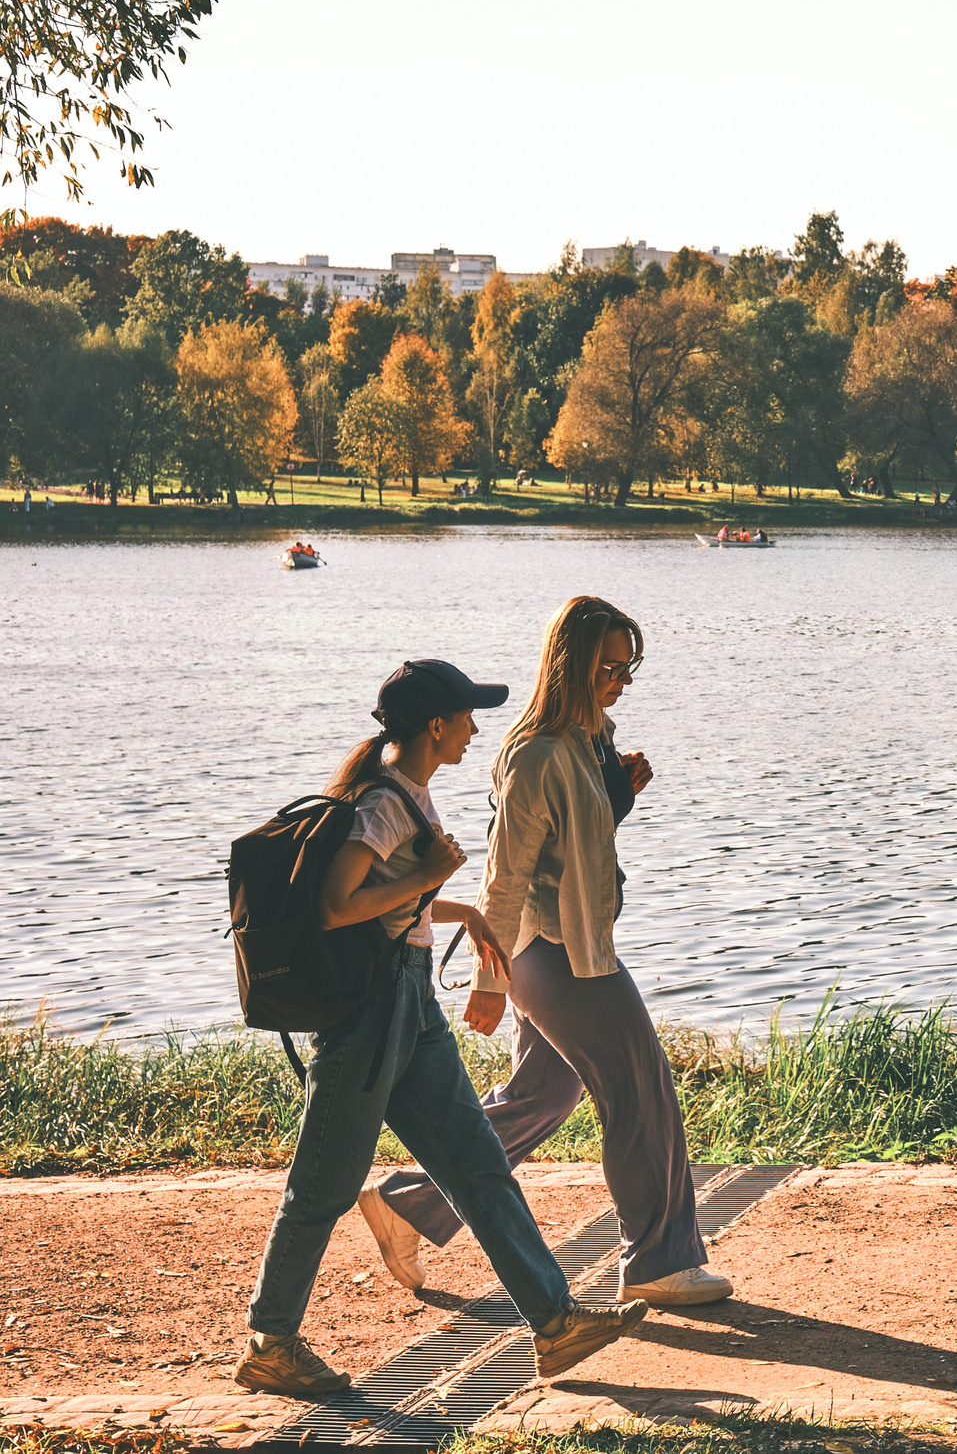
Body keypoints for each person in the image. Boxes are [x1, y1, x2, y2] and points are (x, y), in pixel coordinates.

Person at [238, 660, 647, 1397]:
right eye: (466, 715)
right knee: (323, 1184)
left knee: (478, 1164)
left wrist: (461, 910)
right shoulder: (384, 803)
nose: (475, 727)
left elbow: (396, 907)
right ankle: (271, 1340)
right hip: (369, 1017)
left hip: (411, 1002)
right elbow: (337, 905)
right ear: (435, 724)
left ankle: (555, 1323)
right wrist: (430, 878)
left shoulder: (408, 792)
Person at [362, 597, 731, 1309]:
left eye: (629, 666)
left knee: (544, 1094)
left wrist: (616, 795)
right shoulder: (536, 754)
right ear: (572, 663)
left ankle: (412, 1202)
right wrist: (489, 983)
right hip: (558, 956)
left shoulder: (587, 742)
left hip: (559, 948)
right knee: (642, 1092)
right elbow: (505, 875)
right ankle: (659, 1256)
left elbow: (576, 843)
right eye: (608, 666)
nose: (620, 678)